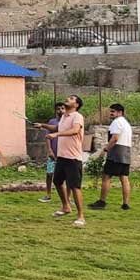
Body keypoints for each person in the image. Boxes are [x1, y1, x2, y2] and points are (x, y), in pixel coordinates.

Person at [49, 94, 87, 227]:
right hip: (62, 157)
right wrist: (42, 126)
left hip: (73, 158)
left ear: (76, 105)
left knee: (75, 187)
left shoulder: (77, 116)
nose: (67, 99)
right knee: (57, 182)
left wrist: (57, 134)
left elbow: (75, 130)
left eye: (71, 99)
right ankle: (66, 207)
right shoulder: (64, 117)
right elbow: (56, 128)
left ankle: (81, 216)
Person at [90, 103, 133, 210]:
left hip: (116, 152)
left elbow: (114, 138)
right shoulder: (126, 124)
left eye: (113, 111)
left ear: (120, 112)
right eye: (111, 111)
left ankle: (102, 201)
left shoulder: (116, 122)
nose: (111, 113)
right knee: (124, 178)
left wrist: (105, 150)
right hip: (126, 152)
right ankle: (125, 204)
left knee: (106, 176)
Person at [32, 102, 66, 202]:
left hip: (64, 153)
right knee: (49, 173)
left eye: (62, 108)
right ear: (55, 110)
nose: (60, 111)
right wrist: (50, 150)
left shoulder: (68, 122)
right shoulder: (52, 122)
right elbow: (47, 137)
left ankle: (68, 197)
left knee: (66, 177)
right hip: (53, 153)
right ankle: (48, 195)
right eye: (58, 109)